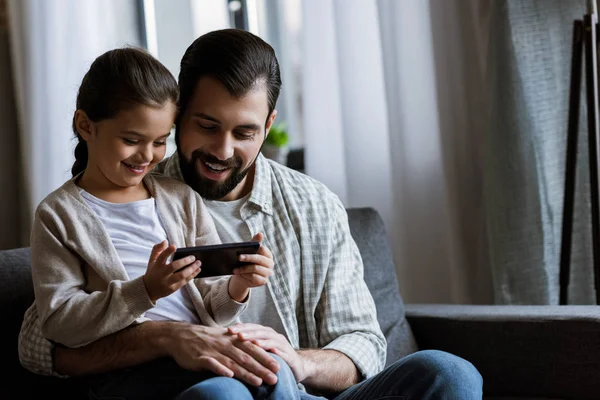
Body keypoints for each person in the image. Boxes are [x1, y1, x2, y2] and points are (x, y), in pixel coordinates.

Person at [19, 29, 483, 399]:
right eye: (206, 126)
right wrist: (163, 338)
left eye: (244, 132)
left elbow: (363, 342)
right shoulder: (133, 183)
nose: (223, 150)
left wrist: (298, 361)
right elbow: (39, 340)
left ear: (269, 125)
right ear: (178, 115)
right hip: (210, 384)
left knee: (449, 373)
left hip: (301, 388)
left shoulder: (313, 205)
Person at [22, 46, 310, 400]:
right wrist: (145, 290)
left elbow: (213, 308)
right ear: (86, 126)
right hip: (131, 372)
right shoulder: (58, 215)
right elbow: (60, 321)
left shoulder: (180, 198)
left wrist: (237, 286)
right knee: (224, 392)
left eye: (160, 142)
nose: (148, 156)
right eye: (131, 140)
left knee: (273, 367)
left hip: (198, 352)